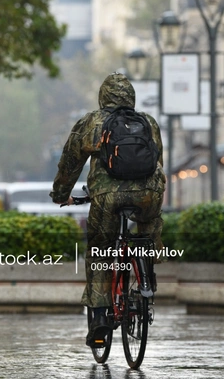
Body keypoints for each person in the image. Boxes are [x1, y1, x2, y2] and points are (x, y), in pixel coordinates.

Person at [49, 72, 165, 347]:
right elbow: (157, 159)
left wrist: (61, 194)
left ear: (103, 96)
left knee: (101, 250)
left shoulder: (93, 122)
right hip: (149, 194)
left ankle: (100, 318)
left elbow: (70, 162)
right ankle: (146, 278)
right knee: (148, 232)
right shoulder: (148, 122)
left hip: (107, 197)